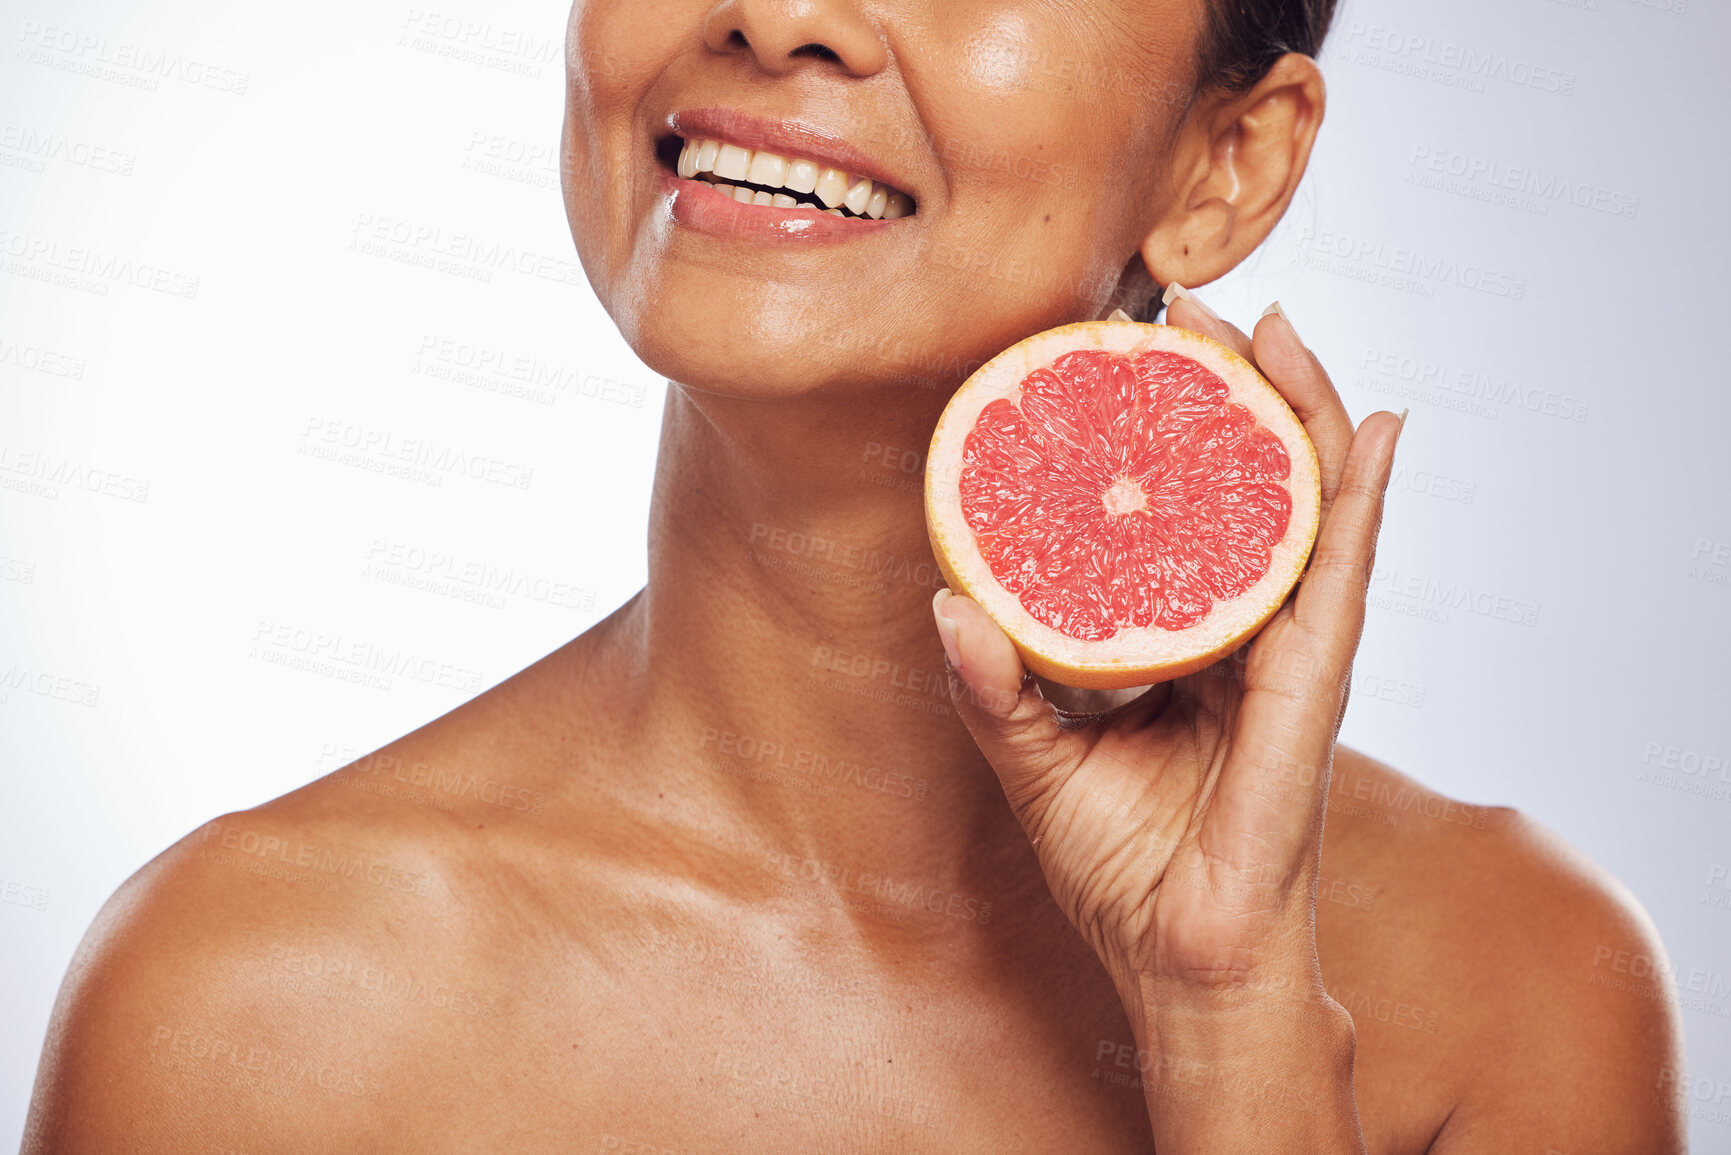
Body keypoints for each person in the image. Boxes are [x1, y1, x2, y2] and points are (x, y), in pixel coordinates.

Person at [24, 0, 1684, 1150]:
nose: (777, 13)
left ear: (1224, 163)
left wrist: (1228, 1026)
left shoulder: (1519, 993)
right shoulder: (245, 1011)